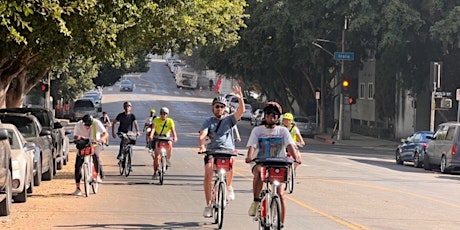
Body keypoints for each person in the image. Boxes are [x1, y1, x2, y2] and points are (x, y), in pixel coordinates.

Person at [245, 102, 302, 228]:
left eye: (274, 115)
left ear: (278, 117)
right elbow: (252, 146)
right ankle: (256, 201)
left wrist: (296, 157)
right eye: (268, 114)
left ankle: (280, 223)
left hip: (278, 164)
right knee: (260, 173)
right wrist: (249, 157)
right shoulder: (257, 130)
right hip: (261, 162)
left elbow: (290, 146)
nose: (271, 117)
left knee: (281, 194)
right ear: (264, 116)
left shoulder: (283, 131)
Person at [198, 85, 245, 218]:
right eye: (217, 106)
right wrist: (202, 146)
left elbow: (240, 112)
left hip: (227, 151)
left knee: (231, 165)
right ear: (213, 108)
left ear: (225, 108)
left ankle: (229, 186)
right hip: (212, 152)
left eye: (222, 106)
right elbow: (202, 135)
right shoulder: (208, 121)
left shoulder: (229, 119)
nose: (219, 109)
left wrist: (240, 99)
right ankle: (208, 205)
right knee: (208, 174)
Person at [72, 114, 108, 196]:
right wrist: (79, 137)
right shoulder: (79, 125)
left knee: (95, 155)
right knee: (78, 165)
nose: (88, 127)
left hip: (95, 143)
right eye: (86, 125)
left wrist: (101, 139)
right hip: (83, 144)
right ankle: (78, 188)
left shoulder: (97, 123)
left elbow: (105, 134)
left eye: (89, 125)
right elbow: (75, 136)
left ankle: (97, 174)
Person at [148, 107, 177, 179]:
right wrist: (151, 136)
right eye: (162, 113)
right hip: (158, 138)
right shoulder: (156, 120)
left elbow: (173, 130)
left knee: (170, 144)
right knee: (157, 157)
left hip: (166, 138)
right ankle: (155, 172)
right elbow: (153, 129)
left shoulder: (170, 121)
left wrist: (175, 137)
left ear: (167, 114)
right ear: (160, 114)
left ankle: (167, 160)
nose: (164, 115)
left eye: (165, 114)